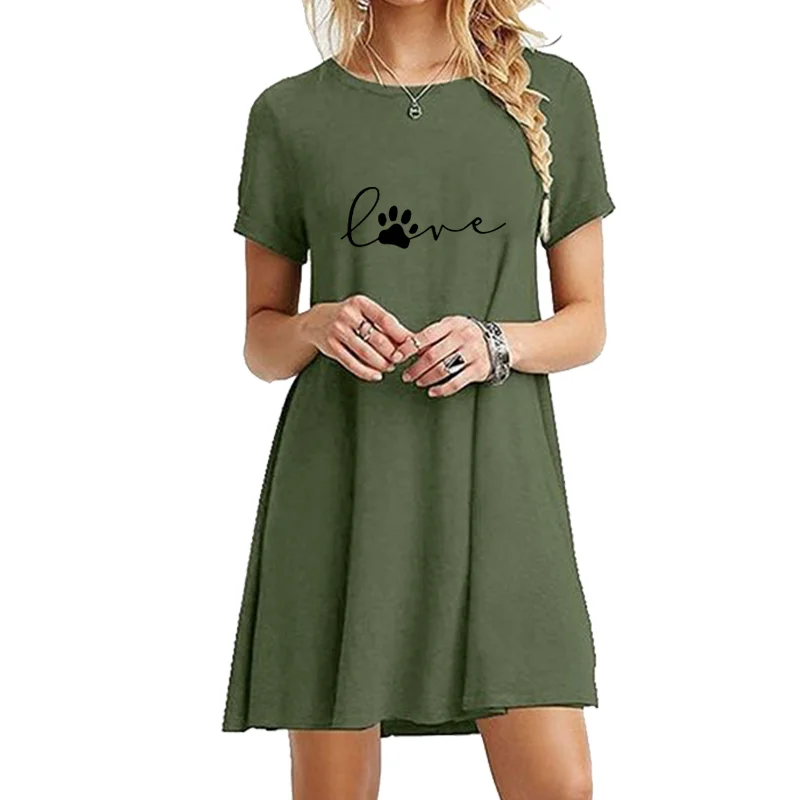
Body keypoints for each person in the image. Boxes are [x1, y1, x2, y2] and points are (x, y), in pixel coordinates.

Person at [222, 1, 615, 797]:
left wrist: (495, 342)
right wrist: (315, 324)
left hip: (499, 478)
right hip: (343, 480)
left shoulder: (552, 94)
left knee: (559, 785)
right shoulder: (289, 113)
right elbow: (262, 343)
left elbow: (587, 323)